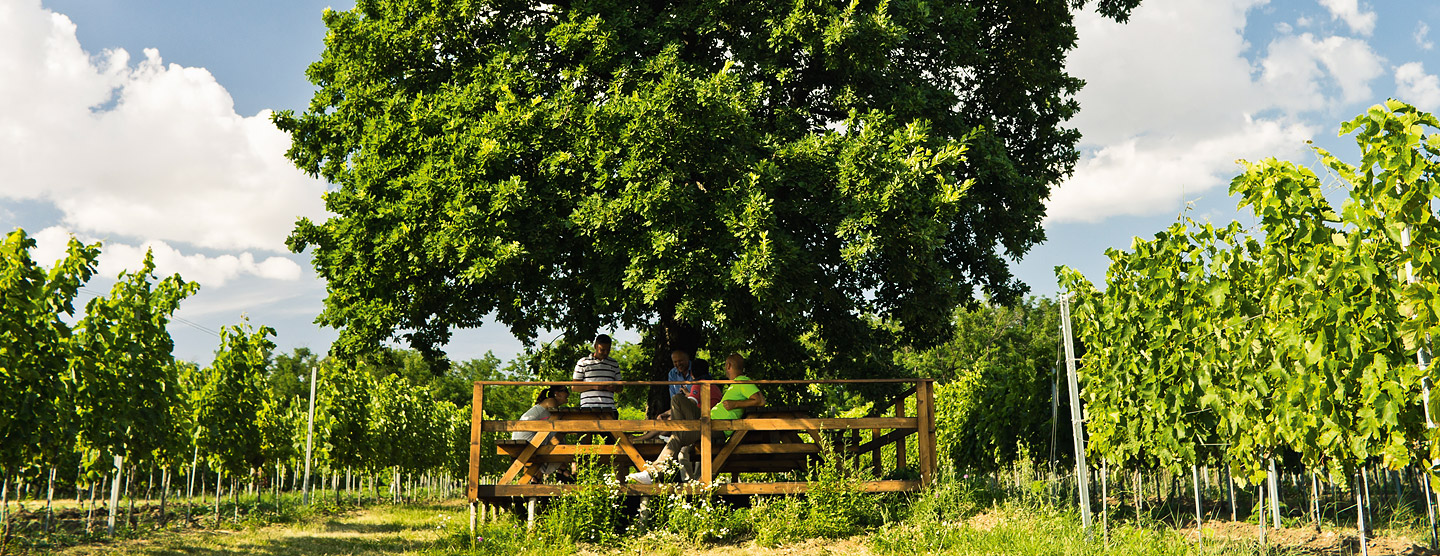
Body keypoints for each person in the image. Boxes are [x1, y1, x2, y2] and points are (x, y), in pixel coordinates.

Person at [627, 353, 764, 484]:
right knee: (677, 399)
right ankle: (656, 468)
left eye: (725, 367)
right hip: (706, 422)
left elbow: (760, 400)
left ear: (728, 366)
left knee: (677, 433)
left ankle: (652, 474)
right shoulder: (734, 385)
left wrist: (736, 404)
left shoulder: (742, 381)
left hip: (716, 427)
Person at [634, 349, 722, 443]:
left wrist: (684, 399)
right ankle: (653, 438)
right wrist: (667, 412)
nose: (678, 364)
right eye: (675, 362)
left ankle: (647, 438)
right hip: (691, 413)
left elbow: (691, 401)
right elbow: (678, 401)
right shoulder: (672, 374)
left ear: (688, 360)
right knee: (667, 417)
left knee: (671, 418)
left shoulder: (700, 377)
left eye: (680, 361)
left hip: (699, 416)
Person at [512, 385, 570, 481]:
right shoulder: (551, 401)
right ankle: (563, 469)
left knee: (552, 438)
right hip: (527, 437)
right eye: (565, 390)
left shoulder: (546, 402)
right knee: (558, 434)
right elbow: (556, 419)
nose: (568, 393)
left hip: (523, 435)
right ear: (557, 394)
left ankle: (537, 477)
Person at [572, 334, 621, 410]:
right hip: (588, 408)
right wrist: (593, 386)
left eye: (608, 350)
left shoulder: (614, 363)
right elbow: (574, 387)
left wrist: (614, 388)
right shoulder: (583, 362)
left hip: (609, 408)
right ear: (595, 347)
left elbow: (620, 387)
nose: (605, 353)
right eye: (602, 350)